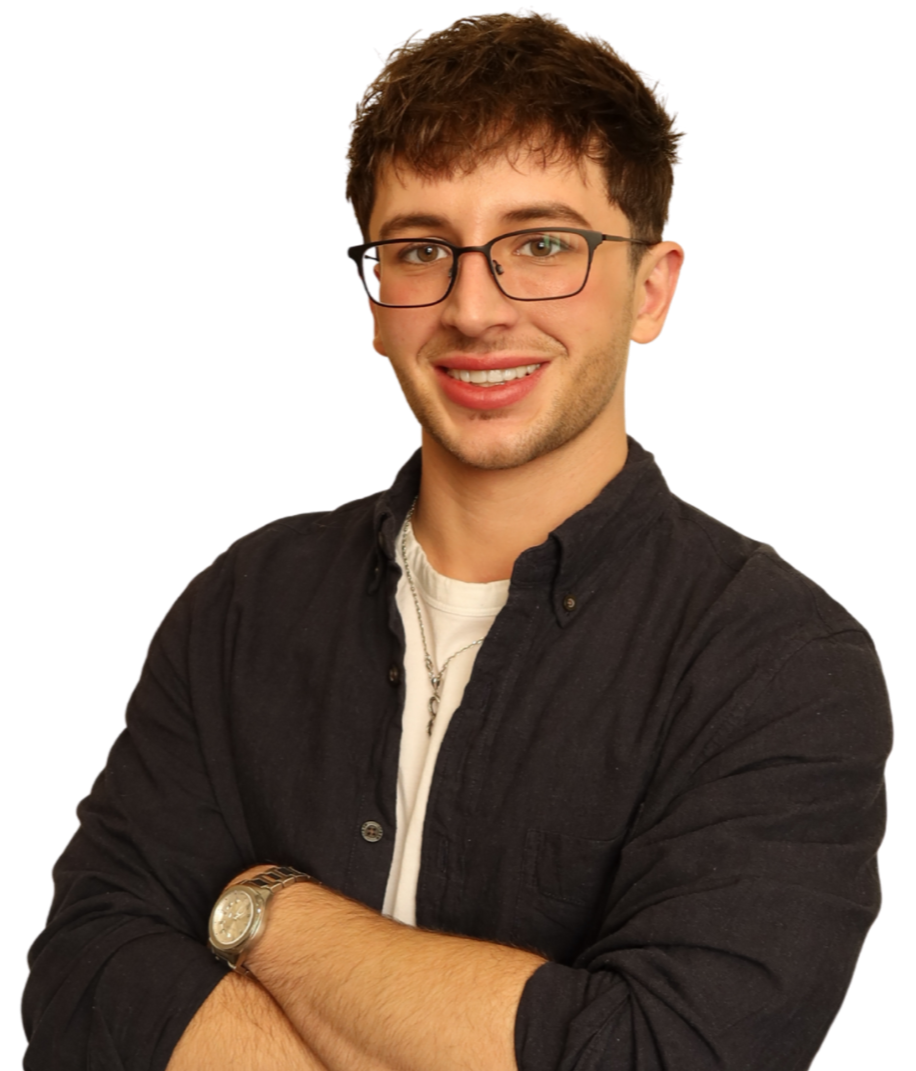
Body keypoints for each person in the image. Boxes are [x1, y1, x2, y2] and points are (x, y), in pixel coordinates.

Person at [22, 11, 893, 1071]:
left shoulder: (784, 660)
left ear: (654, 290)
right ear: (375, 301)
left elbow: (668, 1056)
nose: (474, 309)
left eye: (542, 244)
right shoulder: (240, 604)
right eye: (422, 250)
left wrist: (267, 911)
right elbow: (82, 992)